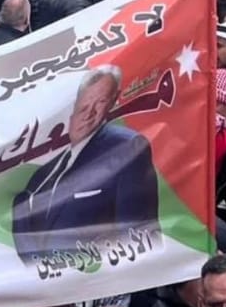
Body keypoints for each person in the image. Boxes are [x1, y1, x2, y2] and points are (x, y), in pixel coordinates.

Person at [11, 66, 159, 260]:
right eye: (84, 103)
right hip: (50, 275)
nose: (89, 112)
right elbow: (25, 231)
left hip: (102, 272)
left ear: (113, 101)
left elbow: (139, 232)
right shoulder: (43, 175)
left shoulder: (126, 147)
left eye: (100, 102)